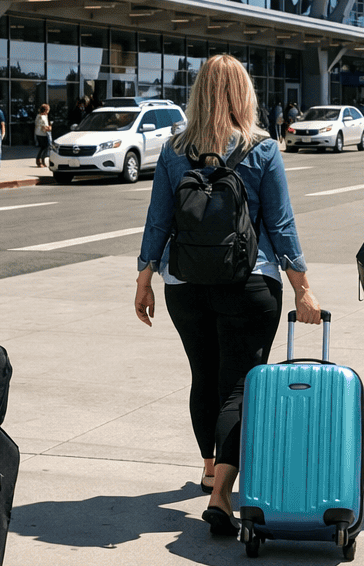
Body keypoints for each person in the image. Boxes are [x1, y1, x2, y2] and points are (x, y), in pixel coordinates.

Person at [134, 54, 320, 537]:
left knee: (205, 376)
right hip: (250, 283)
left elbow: (159, 219)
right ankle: (221, 493)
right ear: (245, 93)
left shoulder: (175, 150)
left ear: (198, 93)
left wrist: (144, 276)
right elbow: (280, 225)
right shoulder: (262, 148)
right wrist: (302, 288)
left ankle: (208, 466)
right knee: (239, 386)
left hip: (185, 285)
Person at [34, 103, 52, 167]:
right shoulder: (41, 117)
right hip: (42, 134)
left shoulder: (41, 116)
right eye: (48, 109)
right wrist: (48, 128)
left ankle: (41, 160)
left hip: (40, 134)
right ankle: (40, 161)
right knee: (44, 147)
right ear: (46, 110)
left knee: (44, 147)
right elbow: (42, 127)